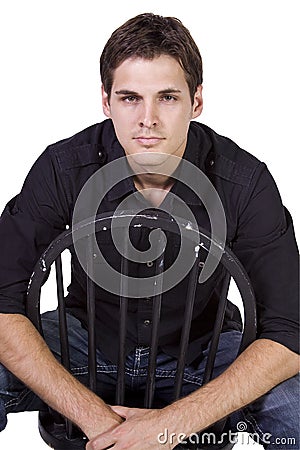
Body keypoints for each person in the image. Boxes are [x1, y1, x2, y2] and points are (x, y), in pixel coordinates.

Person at [0, 12, 299, 450]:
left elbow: (288, 329)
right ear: (106, 101)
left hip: (203, 352)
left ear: (196, 101)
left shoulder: (244, 180)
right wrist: (98, 421)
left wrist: (169, 426)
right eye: (129, 98)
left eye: (168, 98)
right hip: (84, 345)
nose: (148, 119)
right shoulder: (65, 167)